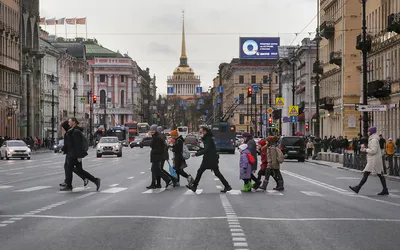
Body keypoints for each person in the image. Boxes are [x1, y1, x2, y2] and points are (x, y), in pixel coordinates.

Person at [186, 126, 232, 193]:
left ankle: (194, 186)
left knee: (200, 171)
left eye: (202, 131)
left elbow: (207, 150)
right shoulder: (208, 138)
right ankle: (227, 186)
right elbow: (207, 149)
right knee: (216, 173)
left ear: (205, 131)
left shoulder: (208, 139)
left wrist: (196, 154)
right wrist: (199, 149)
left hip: (209, 159)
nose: (201, 133)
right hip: (212, 158)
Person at [62, 118, 100, 192]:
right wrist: (63, 149)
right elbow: (70, 143)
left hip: (74, 154)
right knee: (79, 170)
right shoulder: (72, 130)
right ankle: (95, 180)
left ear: (73, 122)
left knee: (69, 169)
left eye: (69, 122)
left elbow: (78, 145)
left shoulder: (76, 132)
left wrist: (79, 156)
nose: (68, 123)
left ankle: (69, 185)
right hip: (71, 153)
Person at [349, 126, 389, 195]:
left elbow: (374, 151)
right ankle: (385, 189)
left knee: (366, 174)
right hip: (375, 160)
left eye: (368, 131)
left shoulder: (373, 140)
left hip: (373, 161)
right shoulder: (373, 139)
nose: (367, 132)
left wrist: (366, 150)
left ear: (371, 132)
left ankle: (358, 188)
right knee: (380, 175)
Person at [59, 120, 88, 188]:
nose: (63, 128)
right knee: (70, 167)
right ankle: (67, 182)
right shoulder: (70, 132)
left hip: (73, 153)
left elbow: (72, 144)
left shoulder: (72, 132)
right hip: (71, 153)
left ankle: (69, 183)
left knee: (71, 168)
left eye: (64, 127)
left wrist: (79, 155)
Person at [147, 124, 176, 189]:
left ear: (156, 131)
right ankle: (158, 183)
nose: (151, 132)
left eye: (153, 130)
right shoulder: (157, 137)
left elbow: (152, 145)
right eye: (151, 130)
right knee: (157, 170)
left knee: (156, 170)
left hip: (157, 156)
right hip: (158, 156)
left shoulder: (157, 138)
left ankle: (167, 179)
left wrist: (156, 152)